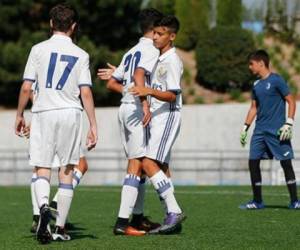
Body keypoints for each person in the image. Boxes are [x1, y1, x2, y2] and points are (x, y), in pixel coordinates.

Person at [15, 4, 97, 243]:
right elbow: (87, 93)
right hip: (71, 113)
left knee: (42, 168)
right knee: (67, 171)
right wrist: (93, 124)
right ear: (73, 27)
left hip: (43, 112)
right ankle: (59, 228)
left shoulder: (38, 49)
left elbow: (27, 87)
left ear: (51, 24)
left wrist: (20, 114)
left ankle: (42, 207)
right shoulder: (82, 54)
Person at [98, 8, 163, 236]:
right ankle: (122, 223)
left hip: (125, 109)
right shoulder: (153, 50)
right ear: (155, 29)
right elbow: (138, 76)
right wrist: (144, 101)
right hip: (137, 110)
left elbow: (112, 84)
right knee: (137, 164)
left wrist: (129, 87)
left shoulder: (130, 51)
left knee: (140, 164)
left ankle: (137, 217)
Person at [129, 15, 186, 234]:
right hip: (158, 117)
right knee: (161, 167)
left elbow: (172, 96)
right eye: (154, 32)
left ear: (172, 36)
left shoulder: (172, 60)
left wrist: (149, 91)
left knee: (147, 163)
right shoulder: (160, 58)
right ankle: (171, 215)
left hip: (168, 116)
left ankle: (174, 210)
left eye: (160, 34)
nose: (155, 37)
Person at [239, 49, 299, 210]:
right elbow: (253, 108)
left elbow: (291, 101)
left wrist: (289, 123)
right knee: (253, 163)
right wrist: (245, 128)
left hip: (277, 132)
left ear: (261, 63)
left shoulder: (277, 80)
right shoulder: (256, 85)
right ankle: (257, 201)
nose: (250, 67)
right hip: (259, 132)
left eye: (251, 64)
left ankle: (295, 201)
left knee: (286, 164)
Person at [25, 83, 89, 234]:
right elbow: (30, 89)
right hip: (65, 116)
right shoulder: (75, 58)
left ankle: (39, 215)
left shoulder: (40, 59)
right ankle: (53, 208)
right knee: (74, 166)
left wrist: (37, 116)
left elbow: (30, 89)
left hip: (45, 116)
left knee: (40, 167)